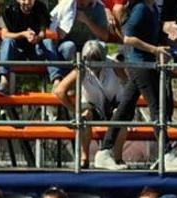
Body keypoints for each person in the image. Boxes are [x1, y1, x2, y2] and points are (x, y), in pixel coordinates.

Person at [92, 0, 177, 172]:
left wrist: (167, 27)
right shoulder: (140, 9)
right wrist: (154, 50)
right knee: (156, 108)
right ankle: (166, 154)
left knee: (126, 109)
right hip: (140, 65)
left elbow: (149, 29)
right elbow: (128, 38)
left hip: (145, 64)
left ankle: (104, 151)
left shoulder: (152, 9)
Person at [53, 39, 125, 168]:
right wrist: (75, 110)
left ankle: (118, 159)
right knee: (85, 116)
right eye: (92, 60)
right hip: (91, 105)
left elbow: (128, 82)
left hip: (113, 103)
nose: (95, 65)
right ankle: (84, 158)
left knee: (120, 115)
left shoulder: (114, 65)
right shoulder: (82, 68)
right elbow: (59, 91)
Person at [0, 0, 52, 96]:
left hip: (35, 50)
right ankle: (3, 82)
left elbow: (42, 32)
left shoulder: (41, 8)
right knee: (7, 41)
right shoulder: (8, 9)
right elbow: (4, 35)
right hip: (15, 52)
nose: (27, 2)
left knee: (48, 42)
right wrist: (23, 34)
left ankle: (57, 81)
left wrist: (37, 38)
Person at [47, 0, 109, 85]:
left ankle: (98, 86)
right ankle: (66, 84)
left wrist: (86, 20)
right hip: (65, 50)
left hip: (88, 48)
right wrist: (68, 19)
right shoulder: (67, 6)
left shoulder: (98, 8)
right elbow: (56, 35)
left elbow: (104, 36)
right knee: (69, 46)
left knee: (100, 46)